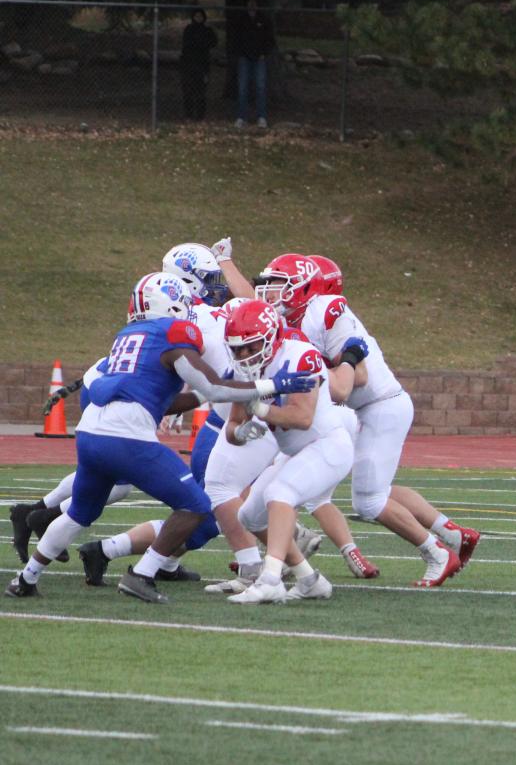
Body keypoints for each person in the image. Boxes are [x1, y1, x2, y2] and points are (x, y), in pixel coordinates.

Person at [4, 273, 319, 602]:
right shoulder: (174, 331)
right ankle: (142, 574)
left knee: (79, 513)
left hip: (90, 433)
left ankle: (25, 579)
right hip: (126, 437)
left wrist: (201, 398)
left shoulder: (128, 335)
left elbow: (164, 399)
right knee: (196, 505)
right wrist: (273, 385)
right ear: (173, 302)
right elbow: (213, 385)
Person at [255, 253, 480, 587]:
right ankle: (453, 534)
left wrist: (312, 377)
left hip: (380, 405)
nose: (269, 292)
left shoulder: (326, 313)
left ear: (301, 288)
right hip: (366, 409)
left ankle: (437, 553)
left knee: (369, 501)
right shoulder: (296, 318)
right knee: (378, 489)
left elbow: (355, 379)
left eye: (277, 285)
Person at [220, 300, 355, 604]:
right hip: (295, 452)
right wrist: (240, 433)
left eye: (250, 346)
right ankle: (309, 579)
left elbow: (302, 417)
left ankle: (270, 578)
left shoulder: (299, 356)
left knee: (279, 493)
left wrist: (261, 408)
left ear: (270, 337)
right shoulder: (243, 370)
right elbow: (232, 427)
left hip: (327, 444)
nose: (244, 355)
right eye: (237, 348)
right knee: (250, 516)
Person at [232, 0, 274, 129]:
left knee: (260, 87)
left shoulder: (264, 19)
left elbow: (269, 39)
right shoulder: (241, 19)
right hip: (244, 57)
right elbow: (236, 38)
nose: (252, 5)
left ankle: (261, 117)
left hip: (259, 58)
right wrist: (240, 53)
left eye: (254, 2)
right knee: (242, 88)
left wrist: (264, 53)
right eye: (249, 2)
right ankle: (241, 117)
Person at [180, 8, 216, 120]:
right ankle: (189, 115)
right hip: (189, 63)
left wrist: (202, 45)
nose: (198, 18)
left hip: (203, 64)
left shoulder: (207, 30)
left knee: (201, 91)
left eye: (200, 16)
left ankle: (200, 116)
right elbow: (187, 45)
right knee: (188, 90)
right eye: (196, 16)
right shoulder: (189, 29)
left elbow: (213, 42)